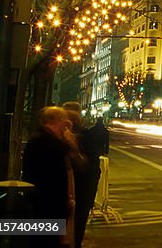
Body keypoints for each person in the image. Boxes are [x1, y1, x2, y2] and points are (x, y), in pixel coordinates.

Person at [21, 106, 76, 248]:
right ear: (53, 121)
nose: (66, 124)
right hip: (46, 200)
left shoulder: (45, 138)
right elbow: (55, 165)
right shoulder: (44, 140)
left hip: (49, 200)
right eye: (63, 119)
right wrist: (68, 142)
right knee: (46, 240)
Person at [62, 103, 103, 247]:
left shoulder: (73, 138)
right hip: (81, 196)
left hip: (73, 196)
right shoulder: (86, 136)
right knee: (75, 232)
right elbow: (95, 170)